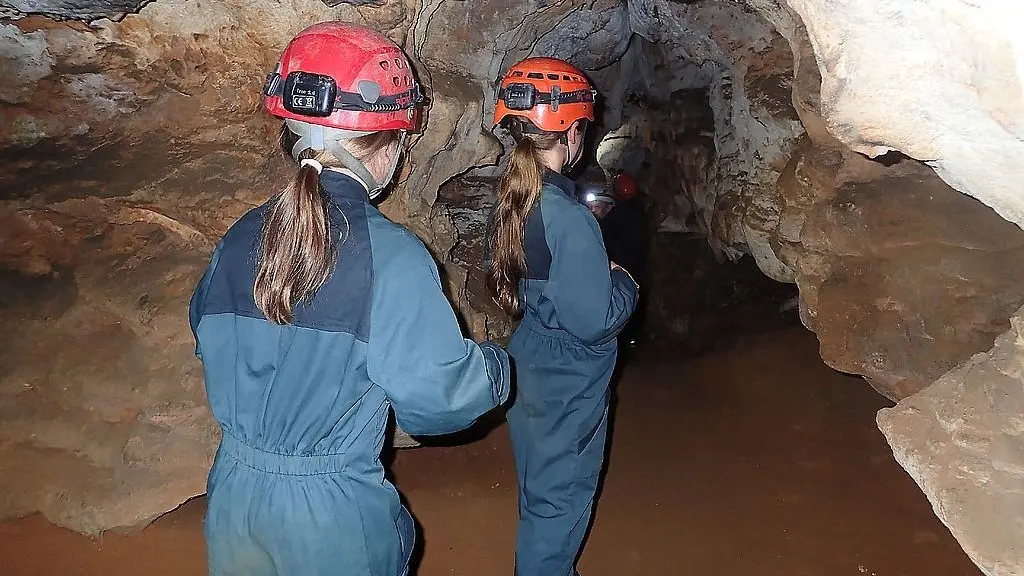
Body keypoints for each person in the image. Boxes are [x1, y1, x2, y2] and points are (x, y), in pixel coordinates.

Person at [188, 22, 511, 576]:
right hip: (327, 517)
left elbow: (207, 336)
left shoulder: (240, 236)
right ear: (384, 145)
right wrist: (495, 368)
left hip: (234, 497)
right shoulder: (391, 257)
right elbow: (438, 402)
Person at [486, 56, 638, 576]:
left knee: (540, 483)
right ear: (572, 132)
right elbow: (595, 319)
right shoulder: (568, 216)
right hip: (569, 374)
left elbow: (520, 275)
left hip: (530, 356)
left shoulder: (511, 199)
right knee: (561, 497)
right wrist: (623, 281)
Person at [601, 171, 650, 348]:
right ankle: (634, 338)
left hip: (621, 267)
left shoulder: (613, 218)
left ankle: (621, 340)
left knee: (622, 303)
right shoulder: (640, 212)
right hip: (638, 264)